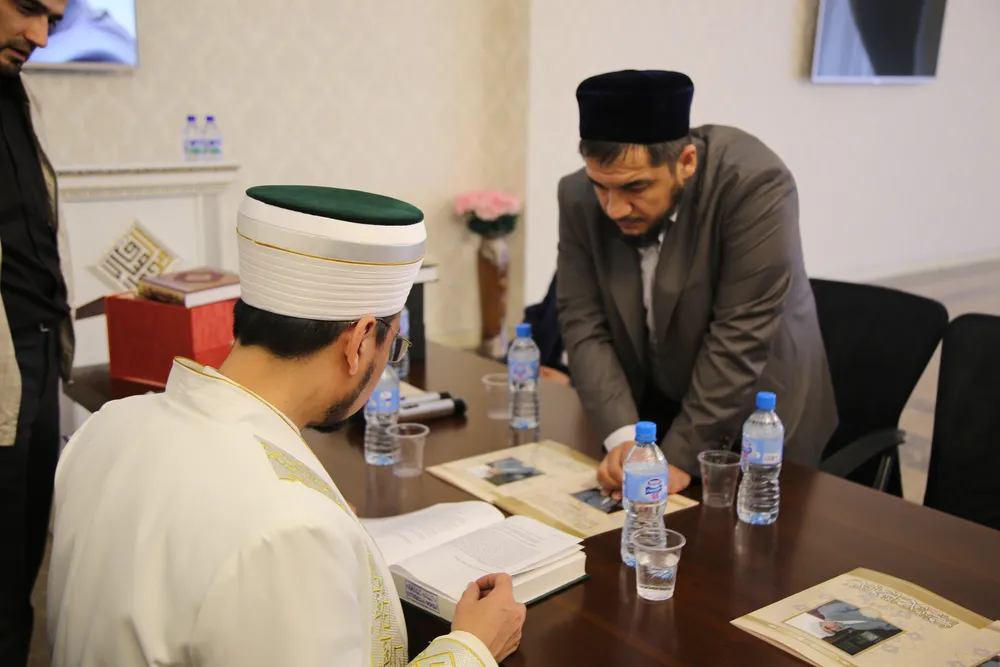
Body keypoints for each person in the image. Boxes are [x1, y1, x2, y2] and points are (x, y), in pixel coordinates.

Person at [47, 186, 525, 666]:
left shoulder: (105, 426)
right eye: (393, 347)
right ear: (360, 341)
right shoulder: (292, 529)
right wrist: (472, 648)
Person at [555, 70, 838, 497]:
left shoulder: (753, 183)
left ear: (686, 162)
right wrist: (626, 439)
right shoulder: (577, 195)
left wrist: (680, 457)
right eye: (601, 187)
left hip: (757, 421)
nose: (614, 209)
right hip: (655, 412)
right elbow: (583, 320)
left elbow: (739, 335)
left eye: (635, 187)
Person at [0, 1, 73, 665]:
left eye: (54, 19)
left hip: (38, 353)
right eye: (27, 8)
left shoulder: (18, 96)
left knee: (23, 551)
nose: (40, 36)